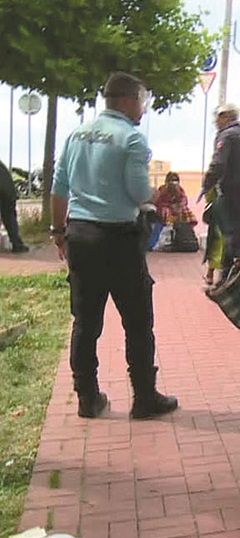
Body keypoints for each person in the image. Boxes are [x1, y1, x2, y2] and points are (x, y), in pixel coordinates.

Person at [51, 71, 178, 420]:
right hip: (119, 240)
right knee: (137, 321)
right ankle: (144, 397)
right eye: (143, 101)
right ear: (127, 100)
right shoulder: (133, 139)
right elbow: (139, 193)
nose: (144, 109)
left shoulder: (75, 134)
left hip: (80, 236)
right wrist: (155, 198)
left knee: (85, 320)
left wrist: (57, 231)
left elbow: (59, 187)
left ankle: (87, 398)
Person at [200, 103, 240, 277]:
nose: (215, 123)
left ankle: (231, 280)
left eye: (217, 118)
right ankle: (232, 276)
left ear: (226, 117)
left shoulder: (227, 136)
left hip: (230, 192)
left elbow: (218, 164)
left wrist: (206, 185)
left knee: (230, 237)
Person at [0, 160, 29, 253]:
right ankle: (17, 244)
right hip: (8, 193)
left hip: (5, 193)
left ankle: (17, 244)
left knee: (9, 216)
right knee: (10, 217)